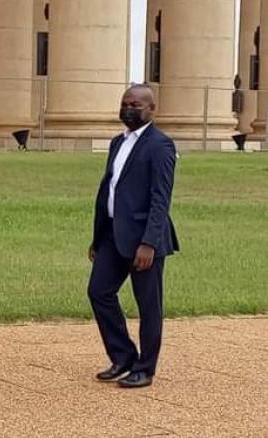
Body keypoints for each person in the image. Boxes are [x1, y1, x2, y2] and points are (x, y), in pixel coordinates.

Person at [88, 84, 179, 389]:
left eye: (136, 105)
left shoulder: (160, 145)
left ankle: (145, 368)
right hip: (112, 236)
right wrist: (97, 238)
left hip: (144, 241)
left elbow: (160, 198)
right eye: (125, 103)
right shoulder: (118, 142)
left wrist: (149, 243)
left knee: (148, 306)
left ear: (151, 109)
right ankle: (123, 356)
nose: (128, 109)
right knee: (99, 292)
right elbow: (110, 191)